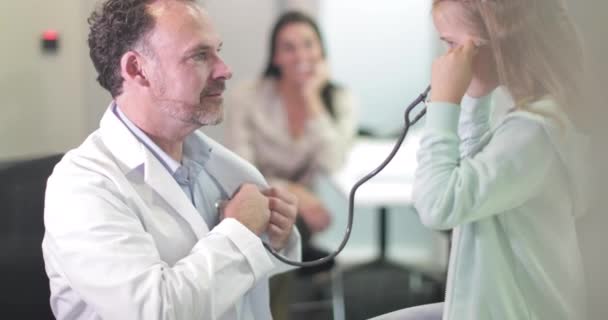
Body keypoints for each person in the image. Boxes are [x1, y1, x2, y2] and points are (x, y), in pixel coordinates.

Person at [41, 1, 301, 319]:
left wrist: (276, 233)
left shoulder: (221, 166)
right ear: (138, 70)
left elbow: (250, 281)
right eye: (200, 55)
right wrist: (242, 229)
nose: (224, 69)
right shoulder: (82, 186)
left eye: (217, 51)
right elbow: (156, 312)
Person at [374, 0, 589, 319]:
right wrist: (473, 98)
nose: (446, 59)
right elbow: (472, 170)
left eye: (451, 44)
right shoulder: (532, 120)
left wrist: (444, 104)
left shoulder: (533, 135)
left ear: (500, 44)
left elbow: (437, 206)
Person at [224, 10, 357, 270]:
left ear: (322, 50)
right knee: (273, 227)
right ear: (276, 57)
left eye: (308, 44)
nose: (300, 56)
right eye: (288, 48)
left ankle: (271, 306)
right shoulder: (247, 98)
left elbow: (334, 164)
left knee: (281, 229)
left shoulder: (341, 99)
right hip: (252, 200)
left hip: (301, 215)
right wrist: (296, 194)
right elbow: (241, 172)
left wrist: (311, 98)